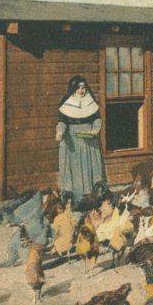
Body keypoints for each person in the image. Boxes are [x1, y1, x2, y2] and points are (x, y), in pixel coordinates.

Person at [56, 75, 107, 208]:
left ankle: (93, 198)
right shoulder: (66, 104)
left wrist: (95, 129)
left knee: (90, 167)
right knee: (76, 170)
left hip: (88, 140)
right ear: (72, 89)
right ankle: (76, 201)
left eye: (83, 87)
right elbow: (62, 121)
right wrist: (60, 131)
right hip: (72, 140)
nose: (81, 90)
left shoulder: (90, 101)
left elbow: (97, 119)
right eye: (78, 88)